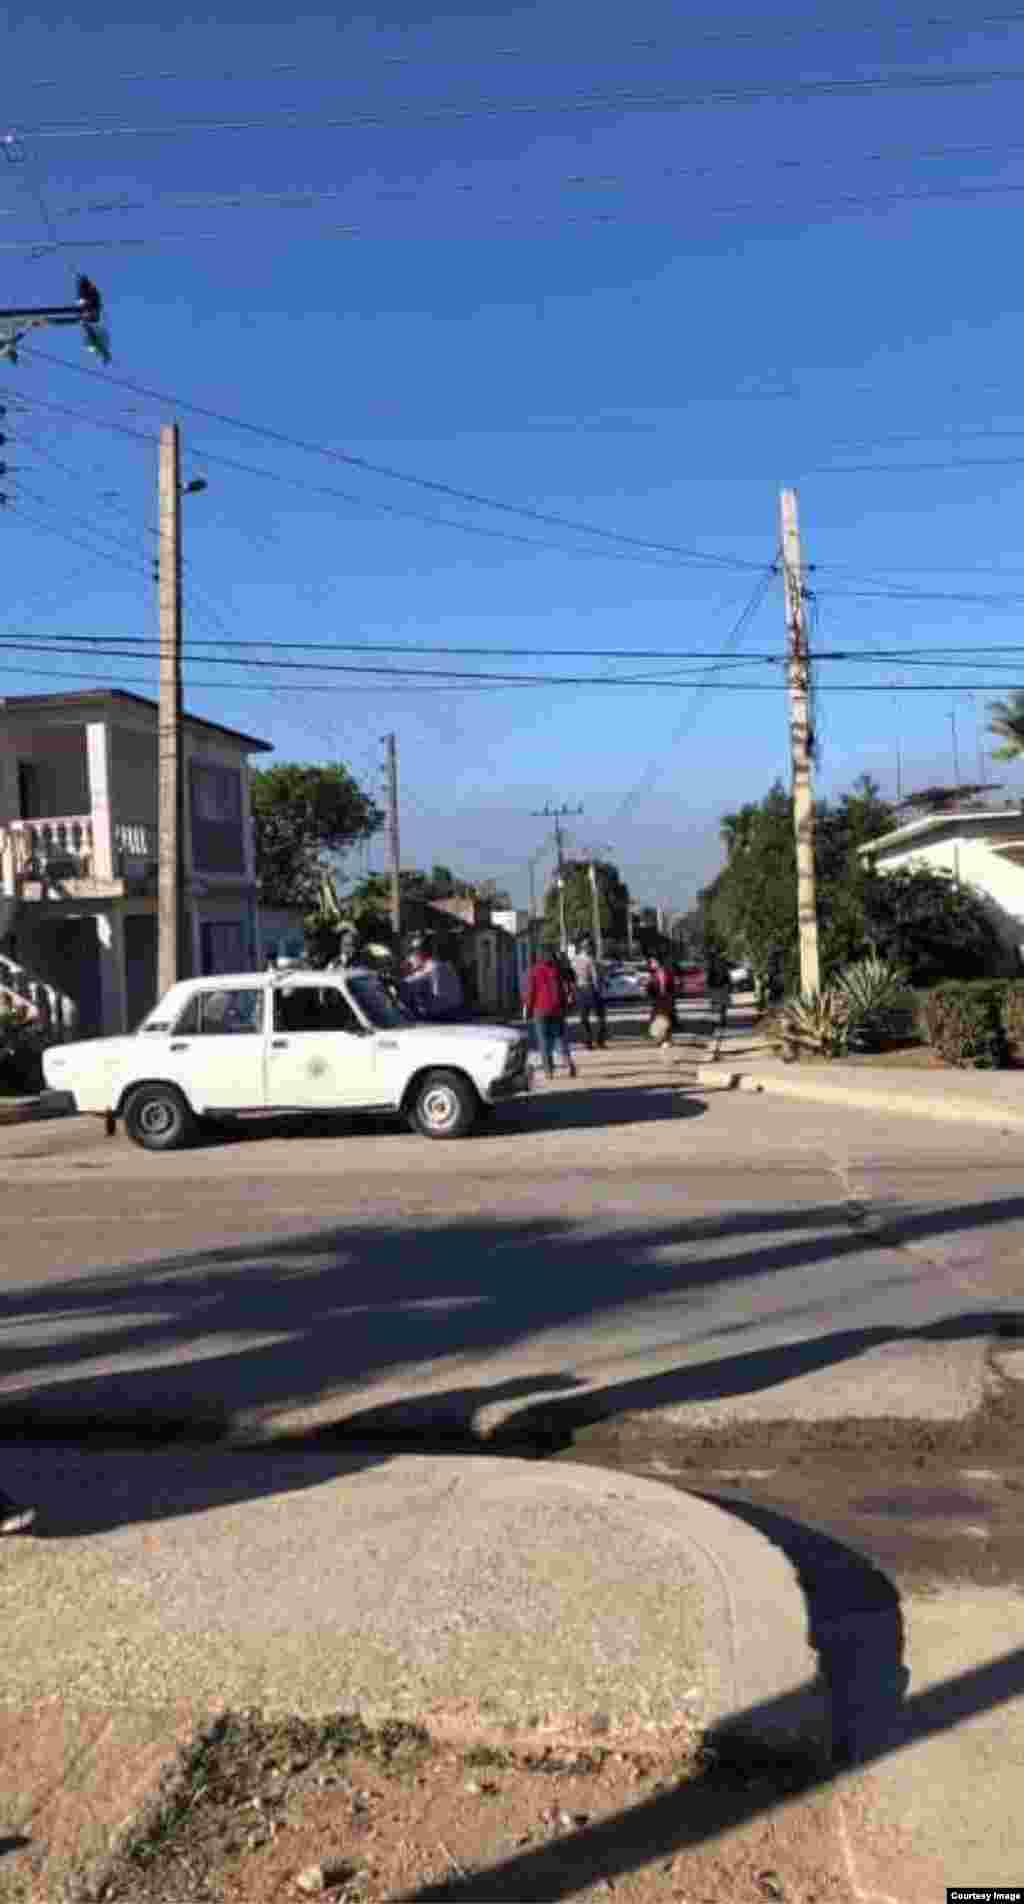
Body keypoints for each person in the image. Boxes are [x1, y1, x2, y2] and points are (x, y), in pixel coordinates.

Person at [524, 947, 577, 1080]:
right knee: (560, 1037)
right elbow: (566, 986)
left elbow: (531, 992)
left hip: (540, 1010)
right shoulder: (557, 970)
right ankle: (568, 1062)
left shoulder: (534, 971)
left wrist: (528, 1009)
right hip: (557, 1008)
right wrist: (566, 1005)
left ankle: (549, 1071)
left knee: (543, 1041)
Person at [402, 939, 465, 1023]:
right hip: (457, 1012)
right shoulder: (448, 966)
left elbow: (406, 983)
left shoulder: (429, 968)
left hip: (439, 1016)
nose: (411, 957)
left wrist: (408, 971)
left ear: (420, 953)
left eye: (413, 953)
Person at [571, 936, 607, 1051]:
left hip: (579, 989)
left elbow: (572, 976)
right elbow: (595, 977)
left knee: (583, 1018)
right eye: (590, 946)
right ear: (588, 948)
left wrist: (573, 990)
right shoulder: (591, 960)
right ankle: (599, 1041)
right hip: (591, 989)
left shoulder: (574, 960)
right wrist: (599, 991)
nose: (591, 948)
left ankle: (588, 1042)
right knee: (601, 1017)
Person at [646, 953, 677, 1053]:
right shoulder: (651, 975)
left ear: (658, 963)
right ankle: (661, 1039)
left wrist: (672, 997)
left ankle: (667, 1039)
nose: (651, 964)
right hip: (657, 1000)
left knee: (667, 1019)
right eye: (650, 963)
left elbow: (672, 986)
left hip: (667, 999)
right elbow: (649, 989)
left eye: (652, 962)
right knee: (656, 1020)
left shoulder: (667, 972)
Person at [705, 947, 732, 1032]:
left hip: (717, 986)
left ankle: (718, 1021)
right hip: (719, 986)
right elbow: (726, 974)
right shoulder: (718, 962)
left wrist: (708, 985)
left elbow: (709, 976)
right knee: (720, 1004)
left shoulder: (713, 963)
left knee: (717, 1004)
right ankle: (720, 1020)